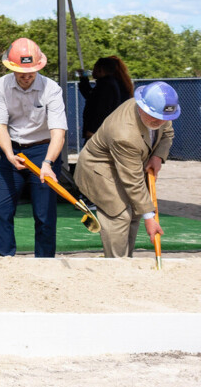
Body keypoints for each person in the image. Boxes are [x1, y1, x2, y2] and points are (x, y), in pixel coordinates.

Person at [74, 83, 177, 258]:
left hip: (128, 164)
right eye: (154, 117)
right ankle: (116, 264)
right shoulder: (124, 133)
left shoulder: (160, 112)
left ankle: (126, 259)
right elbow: (133, 181)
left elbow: (167, 133)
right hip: (100, 169)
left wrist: (157, 157)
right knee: (119, 214)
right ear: (142, 107)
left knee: (136, 211)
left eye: (163, 118)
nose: (159, 122)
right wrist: (150, 218)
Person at [0, 37, 67, 257]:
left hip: (44, 150)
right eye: (21, 71)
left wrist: (48, 163)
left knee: (44, 213)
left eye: (31, 71)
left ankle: (44, 261)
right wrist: (9, 155)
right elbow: (0, 126)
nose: (26, 76)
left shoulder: (52, 88)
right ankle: (4, 259)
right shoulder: (1, 85)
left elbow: (58, 132)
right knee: (0, 208)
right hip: (12, 149)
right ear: (11, 67)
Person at [78, 56, 134, 140]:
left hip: (100, 132)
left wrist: (93, 130)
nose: (92, 71)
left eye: (94, 67)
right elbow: (92, 97)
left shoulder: (106, 85)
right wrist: (83, 79)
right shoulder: (112, 84)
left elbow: (102, 108)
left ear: (101, 69)